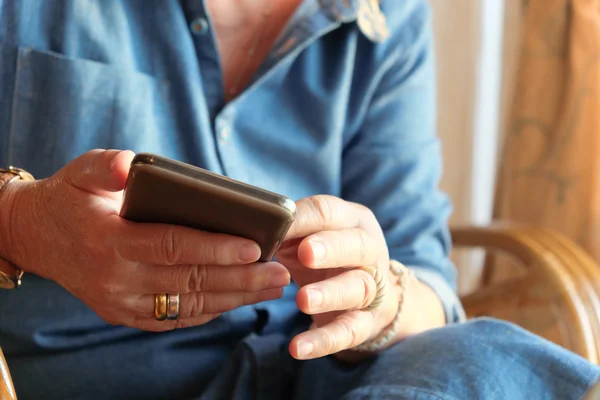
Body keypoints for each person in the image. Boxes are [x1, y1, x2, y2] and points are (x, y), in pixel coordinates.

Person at [0, 0, 598, 399]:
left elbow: (430, 286)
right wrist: (21, 224)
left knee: (485, 355)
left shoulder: (389, 15)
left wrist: (380, 300)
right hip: (81, 380)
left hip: (321, 378)